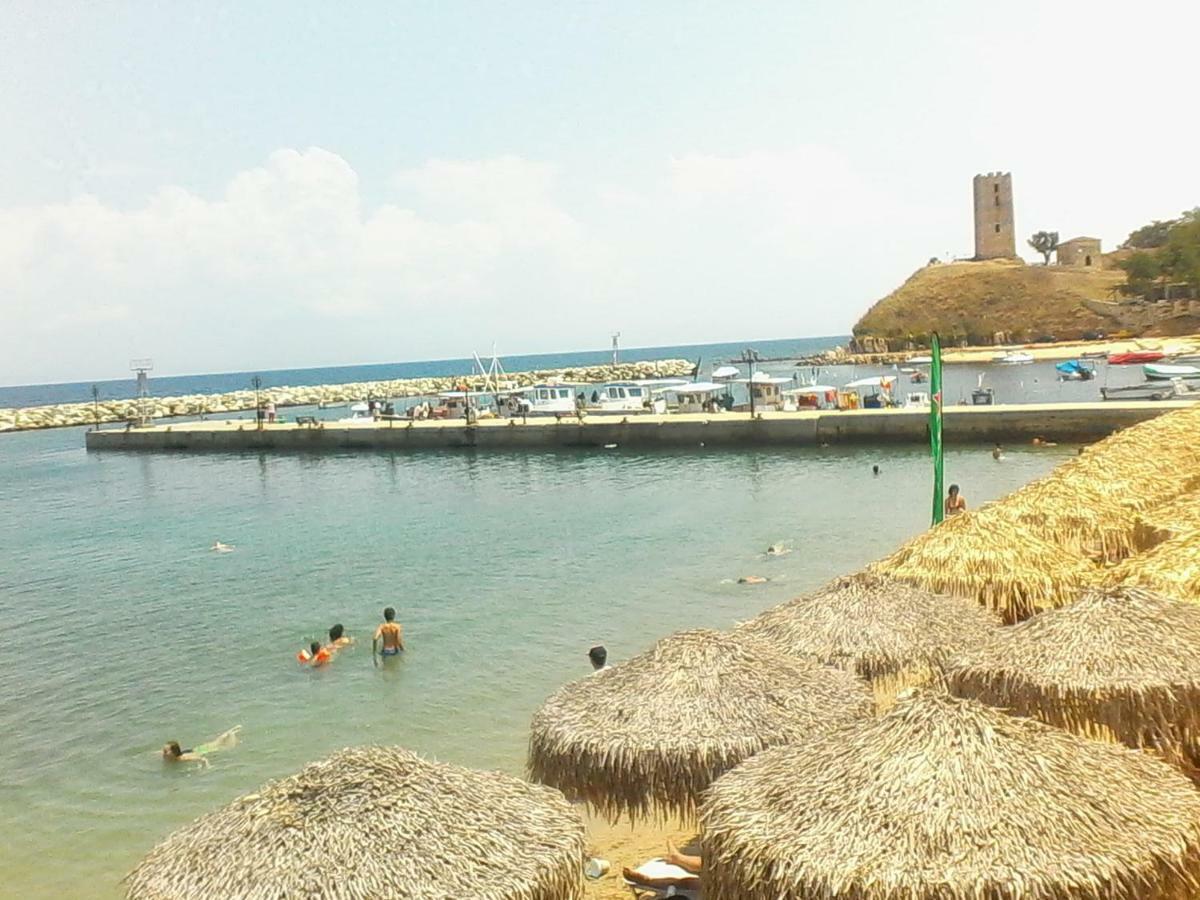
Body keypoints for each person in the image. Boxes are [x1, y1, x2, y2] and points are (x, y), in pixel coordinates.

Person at [162, 726, 241, 768]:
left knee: (216, 744)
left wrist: (208, 766)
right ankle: (230, 732)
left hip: (199, 751)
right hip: (192, 750)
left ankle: (231, 732)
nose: (163, 753)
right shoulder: (169, 757)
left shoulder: (183, 758)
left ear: (174, 753)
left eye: (165, 751)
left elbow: (202, 759)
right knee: (215, 743)